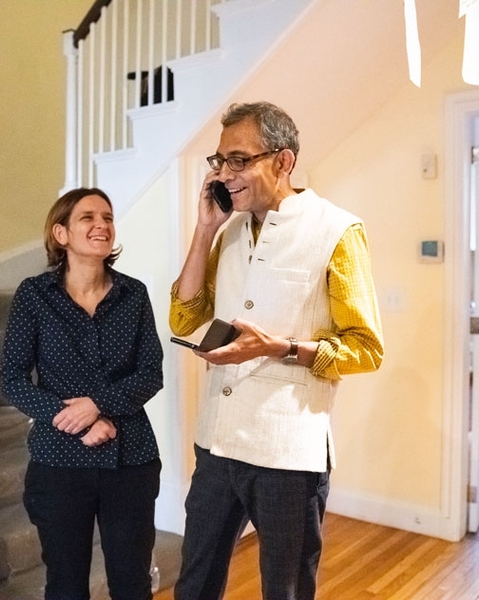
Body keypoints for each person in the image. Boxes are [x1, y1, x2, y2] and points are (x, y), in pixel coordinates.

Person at [169, 101, 384, 600]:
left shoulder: (337, 230)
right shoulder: (230, 230)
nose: (224, 173)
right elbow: (184, 317)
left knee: (284, 591)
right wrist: (204, 230)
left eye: (239, 160)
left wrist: (282, 347)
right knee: (195, 584)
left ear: (283, 161)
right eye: (219, 161)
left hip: (287, 453)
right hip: (217, 443)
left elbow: (366, 348)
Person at [0, 187, 163, 600]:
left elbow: (151, 373)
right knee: (66, 585)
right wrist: (74, 420)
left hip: (131, 460)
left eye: (107, 217)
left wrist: (97, 406)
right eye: (88, 217)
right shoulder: (34, 295)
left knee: (131, 582)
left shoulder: (134, 294)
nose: (102, 225)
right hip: (58, 463)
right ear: (61, 233)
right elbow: (13, 378)